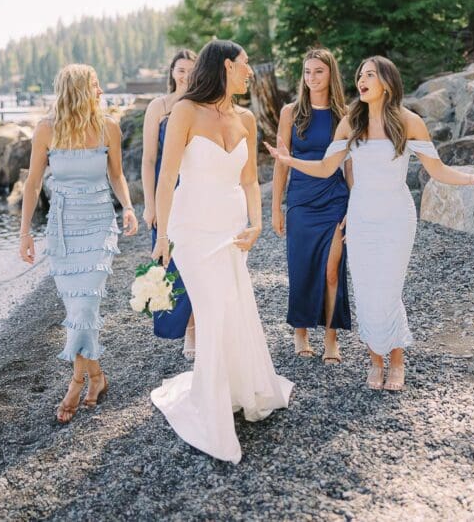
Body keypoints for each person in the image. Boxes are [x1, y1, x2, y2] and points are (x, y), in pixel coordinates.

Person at [265, 56, 474, 392]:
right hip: (361, 216)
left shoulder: (409, 122)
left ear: (387, 82)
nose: (361, 80)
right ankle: (376, 361)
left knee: (388, 291)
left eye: (369, 75)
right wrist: (289, 160)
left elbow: (437, 170)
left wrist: (472, 179)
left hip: (396, 217)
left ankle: (397, 362)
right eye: (359, 74)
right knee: (365, 292)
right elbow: (325, 168)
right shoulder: (350, 122)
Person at [150, 39, 293, 463]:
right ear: (227, 66)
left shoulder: (246, 118)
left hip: (232, 229)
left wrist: (257, 223)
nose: (250, 72)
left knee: (234, 305)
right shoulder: (185, 112)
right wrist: (161, 237)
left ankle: (235, 387)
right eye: (245, 65)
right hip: (192, 230)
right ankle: (210, 411)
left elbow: (250, 180)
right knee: (211, 309)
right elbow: (166, 177)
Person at [18, 64, 139, 423]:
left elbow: (116, 174)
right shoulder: (46, 129)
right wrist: (26, 232)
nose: (101, 92)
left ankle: (75, 382)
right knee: (77, 311)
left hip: (99, 225)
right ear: (78, 90)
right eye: (96, 86)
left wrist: (129, 207)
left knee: (86, 307)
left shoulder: (108, 127)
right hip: (63, 231)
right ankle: (97, 376)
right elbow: (33, 184)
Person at [272, 48, 352, 362]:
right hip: (301, 202)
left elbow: (349, 165)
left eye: (318, 71)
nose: (312, 78)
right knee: (301, 269)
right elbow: (281, 164)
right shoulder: (290, 112)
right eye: (307, 72)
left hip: (334, 199)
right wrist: (276, 206)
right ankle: (301, 331)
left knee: (332, 271)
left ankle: (331, 338)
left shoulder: (344, 115)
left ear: (331, 73)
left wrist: (355, 207)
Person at [141, 49, 197, 357]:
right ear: (172, 73)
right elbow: (149, 160)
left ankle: (193, 329)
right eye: (180, 69)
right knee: (169, 263)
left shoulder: (202, 105)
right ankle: (179, 326)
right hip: (166, 193)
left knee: (196, 261)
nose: (185, 74)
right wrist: (149, 205)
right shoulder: (158, 107)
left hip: (195, 190)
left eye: (191, 69)